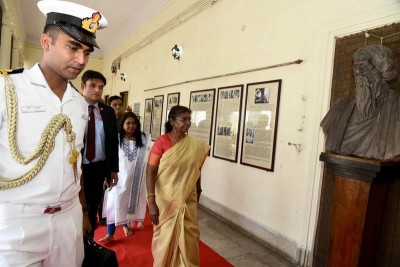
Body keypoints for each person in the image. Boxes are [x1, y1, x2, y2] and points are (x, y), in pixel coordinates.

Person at [0, 1, 107, 266]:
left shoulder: (79, 104)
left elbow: (76, 164)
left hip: (68, 220)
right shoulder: (7, 90)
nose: (81, 60)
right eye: (72, 47)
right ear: (46, 42)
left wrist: (83, 210)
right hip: (17, 222)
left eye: (86, 51)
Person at [146, 105, 210, 266]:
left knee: (189, 235)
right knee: (164, 235)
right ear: (172, 121)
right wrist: (151, 201)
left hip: (188, 197)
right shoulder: (162, 142)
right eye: (184, 119)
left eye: (189, 119)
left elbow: (196, 169)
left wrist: (199, 188)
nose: (188, 123)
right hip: (165, 199)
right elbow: (150, 171)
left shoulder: (194, 144)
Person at [321, 44, 400, 161]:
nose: (358, 72)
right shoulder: (340, 107)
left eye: (364, 66)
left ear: (383, 71)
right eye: (355, 67)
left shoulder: (396, 106)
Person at [99, 112, 151, 243]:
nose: (131, 126)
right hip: (118, 179)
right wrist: (106, 176)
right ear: (122, 125)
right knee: (114, 204)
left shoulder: (143, 140)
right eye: (128, 123)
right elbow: (109, 159)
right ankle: (110, 233)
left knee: (129, 203)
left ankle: (126, 226)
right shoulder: (116, 139)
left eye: (134, 123)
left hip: (135, 180)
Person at [81, 70, 119, 237]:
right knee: (75, 208)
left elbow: (112, 143)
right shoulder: (72, 108)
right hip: (77, 168)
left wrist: (113, 170)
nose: (97, 90)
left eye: (101, 87)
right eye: (92, 86)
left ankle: (89, 242)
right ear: (83, 86)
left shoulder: (108, 112)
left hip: (98, 168)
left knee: (93, 206)